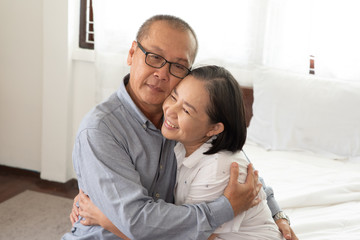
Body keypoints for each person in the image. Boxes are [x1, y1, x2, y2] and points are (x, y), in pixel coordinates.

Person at [62, 14, 297, 240]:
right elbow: (138, 223)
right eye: (154, 56)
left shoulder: (190, 120)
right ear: (132, 53)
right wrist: (226, 207)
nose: (162, 73)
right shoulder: (100, 131)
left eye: (177, 66)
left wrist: (277, 214)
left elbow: (240, 167)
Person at [74, 65, 286, 240]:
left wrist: (105, 218)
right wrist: (101, 191)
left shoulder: (218, 168)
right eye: (174, 97)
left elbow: (176, 236)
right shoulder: (180, 141)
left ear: (214, 128)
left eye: (186, 110)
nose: (170, 110)